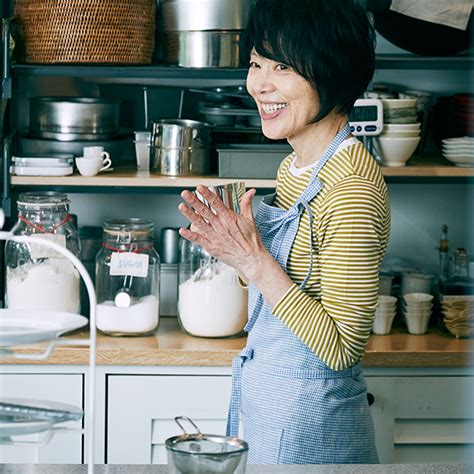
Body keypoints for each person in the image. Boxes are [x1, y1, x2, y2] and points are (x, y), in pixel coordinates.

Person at [178, 0, 390, 464]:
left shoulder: (351, 187)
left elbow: (339, 346)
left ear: (333, 74)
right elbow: (285, 286)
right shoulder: (295, 165)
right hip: (270, 404)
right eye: (256, 63)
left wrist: (255, 259)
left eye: (284, 67)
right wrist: (235, 253)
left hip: (315, 427)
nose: (261, 84)